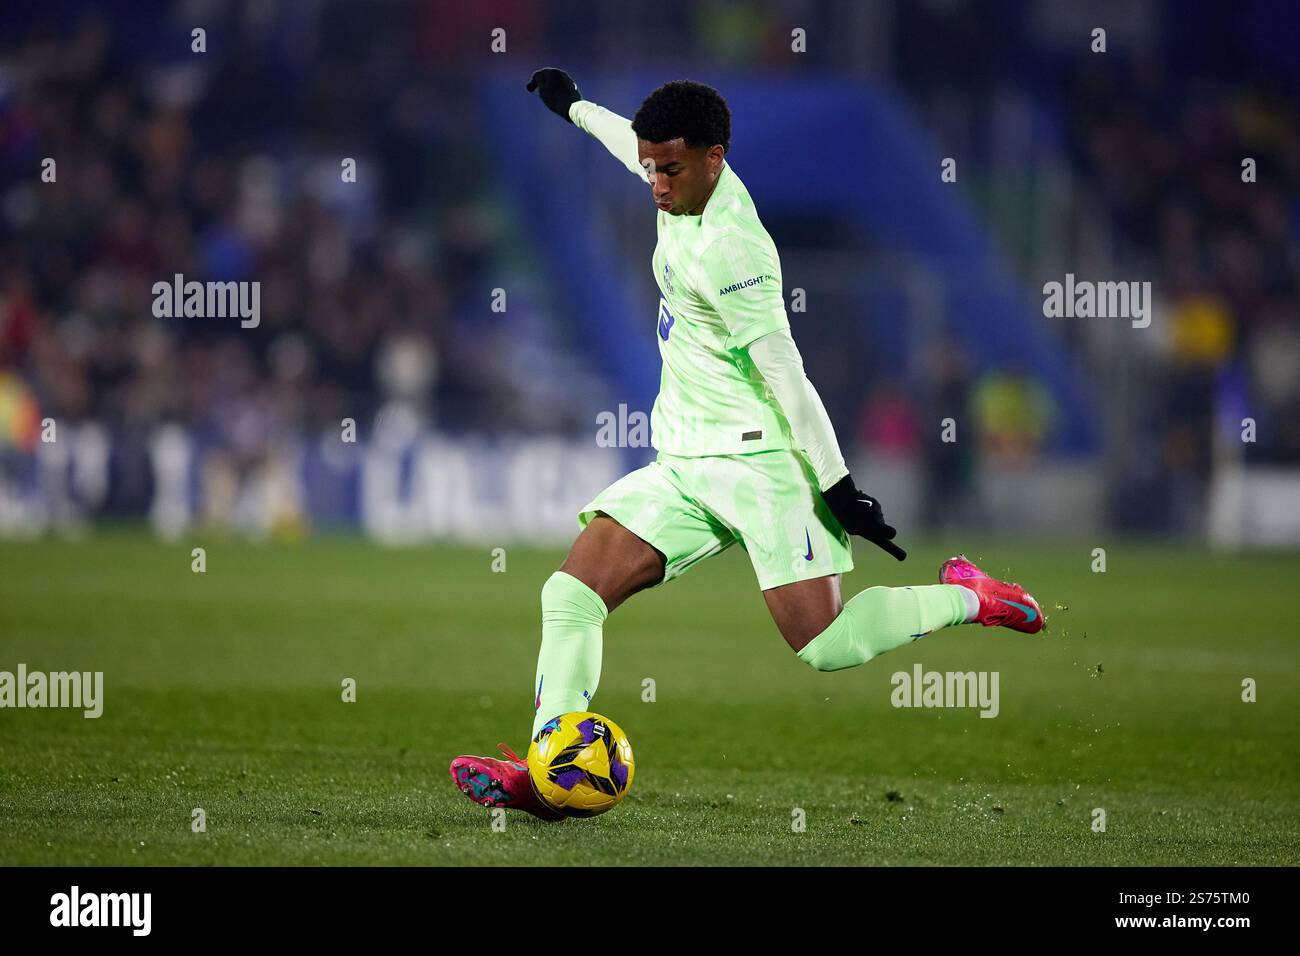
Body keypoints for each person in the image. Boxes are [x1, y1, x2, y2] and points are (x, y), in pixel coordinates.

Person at [450, 71, 1044, 819]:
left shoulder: (737, 252)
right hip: (687, 461)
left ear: (714, 158)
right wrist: (572, 106)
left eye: (669, 169)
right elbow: (620, 147)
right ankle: (547, 771)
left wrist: (836, 485)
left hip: (766, 466)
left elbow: (787, 375)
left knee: (825, 644)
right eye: (650, 166)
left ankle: (971, 596)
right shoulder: (670, 176)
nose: (656, 184)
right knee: (570, 594)